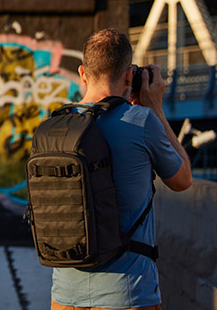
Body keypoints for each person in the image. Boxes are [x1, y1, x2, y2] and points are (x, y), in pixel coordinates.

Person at [50, 28, 193, 310]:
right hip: (128, 291)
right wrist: (156, 109)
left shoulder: (55, 127)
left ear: (82, 73)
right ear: (129, 76)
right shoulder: (141, 122)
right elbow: (183, 179)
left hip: (64, 292)